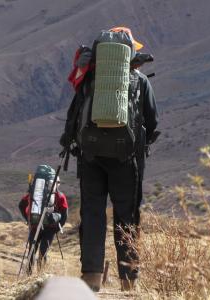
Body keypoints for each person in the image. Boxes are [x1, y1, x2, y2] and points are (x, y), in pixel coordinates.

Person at [60, 27, 159, 292]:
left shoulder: (90, 80)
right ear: (129, 54)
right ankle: (129, 282)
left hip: (90, 157)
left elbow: (74, 116)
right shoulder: (140, 81)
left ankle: (91, 278)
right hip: (127, 160)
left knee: (92, 215)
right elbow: (152, 121)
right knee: (127, 218)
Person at [18, 176, 68, 272]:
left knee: (32, 250)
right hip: (50, 228)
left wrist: (29, 220)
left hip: (35, 225)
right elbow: (65, 214)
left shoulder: (35, 194)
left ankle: (28, 275)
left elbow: (21, 205)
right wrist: (57, 228)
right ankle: (40, 275)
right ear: (57, 184)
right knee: (43, 251)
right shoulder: (60, 196)